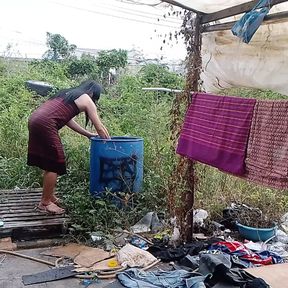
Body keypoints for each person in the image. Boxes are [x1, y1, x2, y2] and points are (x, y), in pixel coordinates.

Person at [27, 80, 110, 214]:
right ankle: (45, 202)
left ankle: (50, 196)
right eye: (95, 98)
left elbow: (66, 119)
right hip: (45, 124)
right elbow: (99, 127)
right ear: (92, 93)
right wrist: (110, 143)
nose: (93, 101)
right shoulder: (86, 99)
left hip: (35, 120)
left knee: (49, 161)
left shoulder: (67, 93)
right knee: (54, 163)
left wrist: (88, 134)